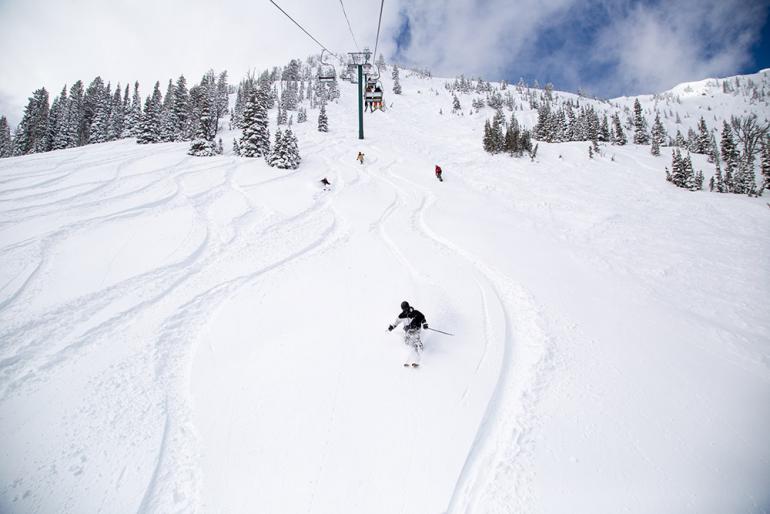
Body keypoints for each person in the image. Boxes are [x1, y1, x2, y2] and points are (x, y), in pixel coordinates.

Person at [387, 301, 428, 367]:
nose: (406, 310)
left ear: (408, 307)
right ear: (402, 309)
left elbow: (422, 318)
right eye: (404, 309)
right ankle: (412, 355)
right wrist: (392, 327)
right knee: (407, 342)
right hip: (408, 331)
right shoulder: (401, 316)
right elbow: (396, 322)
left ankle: (421, 350)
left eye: (407, 308)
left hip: (416, 329)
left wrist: (425, 324)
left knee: (415, 339)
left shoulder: (415, 312)